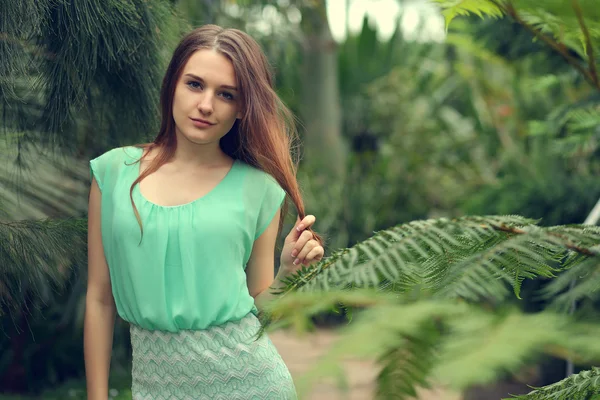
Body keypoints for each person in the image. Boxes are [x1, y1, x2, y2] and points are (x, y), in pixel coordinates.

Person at [84, 24, 325, 399]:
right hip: (153, 386)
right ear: (172, 86)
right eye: (195, 84)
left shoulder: (259, 190)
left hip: (252, 384)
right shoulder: (113, 173)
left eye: (226, 94)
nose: (206, 105)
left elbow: (260, 306)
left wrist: (287, 273)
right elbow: (99, 300)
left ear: (243, 107)